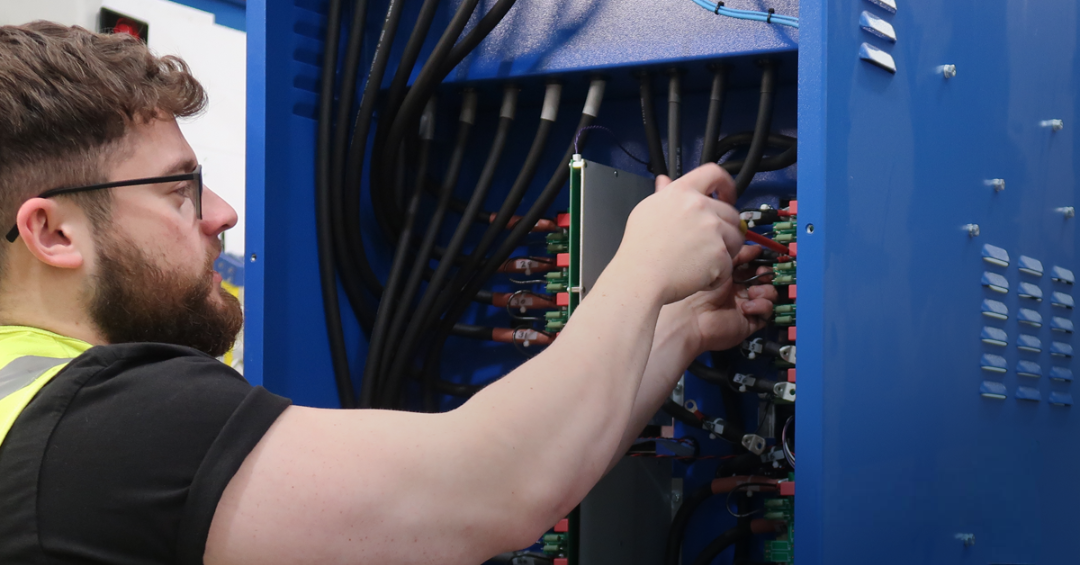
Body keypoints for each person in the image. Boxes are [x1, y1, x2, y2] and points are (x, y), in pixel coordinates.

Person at [0, 21, 777, 565]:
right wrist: (643, 266)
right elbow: (491, 488)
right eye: (177, 189)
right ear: (54, 233)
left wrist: (673, 330)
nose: (221, 214)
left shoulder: (29, 402)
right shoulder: (101, 423)